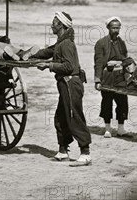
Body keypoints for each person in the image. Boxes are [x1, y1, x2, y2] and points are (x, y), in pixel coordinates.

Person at [32, 12, 92, 167]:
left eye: (54, 23)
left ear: (61, 26)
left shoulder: (66, 45)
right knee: (60, 118)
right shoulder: (61, 42)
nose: (52, 25)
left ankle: (85, 154)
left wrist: (48, 65)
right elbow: (47, 52)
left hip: (71, 84)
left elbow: (69, 66)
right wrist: (29, 55)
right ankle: (63, 151)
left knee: (74, 117)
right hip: (65, 84)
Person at [94, 16, 131, 138]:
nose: (115, 30)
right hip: (107, 76)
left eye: (117, 28)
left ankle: (121, 128)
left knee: (122, 102)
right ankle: (108, 128)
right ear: (108, 28)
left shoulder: (121, 43)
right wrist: (98, 80)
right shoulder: (101, 43)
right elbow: (98, 63)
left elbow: (125, 58)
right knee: (107, 102)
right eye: (113, 28)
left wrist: (129, 70)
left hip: (120, 76)